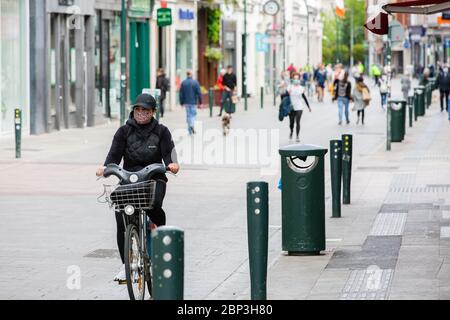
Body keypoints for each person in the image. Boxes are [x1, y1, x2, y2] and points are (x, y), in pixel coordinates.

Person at [96, 93, 180, 282]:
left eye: (146, 110)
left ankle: (161, 232)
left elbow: (170, 154)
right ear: (133, 110)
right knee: (121, 217)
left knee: (154, 204)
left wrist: (172, 164)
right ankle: (126, 265)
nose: (141, 113)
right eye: (138, 109)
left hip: (154, 178)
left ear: (153, 112)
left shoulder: (162, 131)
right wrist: (105, 167)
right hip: (129, 179)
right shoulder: (123, 131)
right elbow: (113, 156)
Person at [287, 73, 312, 142]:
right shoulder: (289, 87)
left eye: (297, 78)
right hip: (291, 107)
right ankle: (291, 131)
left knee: (298, 122)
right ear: (292, 79)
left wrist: (308, 107)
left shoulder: (301, 88)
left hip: (299, 107)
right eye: (294, 78)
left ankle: (297, 136)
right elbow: (285, 97)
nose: (296, 80)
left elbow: (304, 97)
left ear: (299, 79)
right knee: (291, 122)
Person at [179, 70, 202, 135]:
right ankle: (191, 125)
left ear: (187, 74)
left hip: (186, 102)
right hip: (193, 102)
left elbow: (181, 94)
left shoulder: (183, 82)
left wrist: (181, 102)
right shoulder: (195, 82)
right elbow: (199, 93)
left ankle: (190, 130)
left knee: (188, 115)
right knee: (193, 115)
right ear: (191, 74)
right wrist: (200, 102)